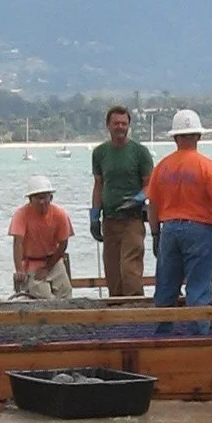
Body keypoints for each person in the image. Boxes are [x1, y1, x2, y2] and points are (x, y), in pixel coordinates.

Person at [147, 109, 212, 328]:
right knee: (198, 288)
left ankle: (162, 337)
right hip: (198, 230)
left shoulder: (162, 167)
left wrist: (155, 234)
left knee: (166, 287)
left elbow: (152, 205)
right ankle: (197, 339)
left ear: (176, 137)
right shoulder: (205, 166)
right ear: (198, 136)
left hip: (168, 229)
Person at [89, 103, 154, 299]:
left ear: (129, 126)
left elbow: (150, 185)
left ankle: (134, 307)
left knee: (130, 267)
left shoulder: (139, 152)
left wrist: (137, 199)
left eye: (124, 123)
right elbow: (99, 185)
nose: (120, 127)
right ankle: (115, 308)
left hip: (132, 219)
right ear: (108, 125)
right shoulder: (100, 153)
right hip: (109, 218)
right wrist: (94, 216)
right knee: (112, 268)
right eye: (116, 123)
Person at [9, 171, 75, 299]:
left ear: (51, 198)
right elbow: (18, 243)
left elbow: (63, 243)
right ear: (30, 199)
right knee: (44, 297)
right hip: (32, 262)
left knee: (66, 293)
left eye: (45, 197)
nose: (42, 202)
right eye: (38, 198)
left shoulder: (60, 214)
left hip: (54, 260)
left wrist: (48, 267)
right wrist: (19, 270)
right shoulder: (21, 215)